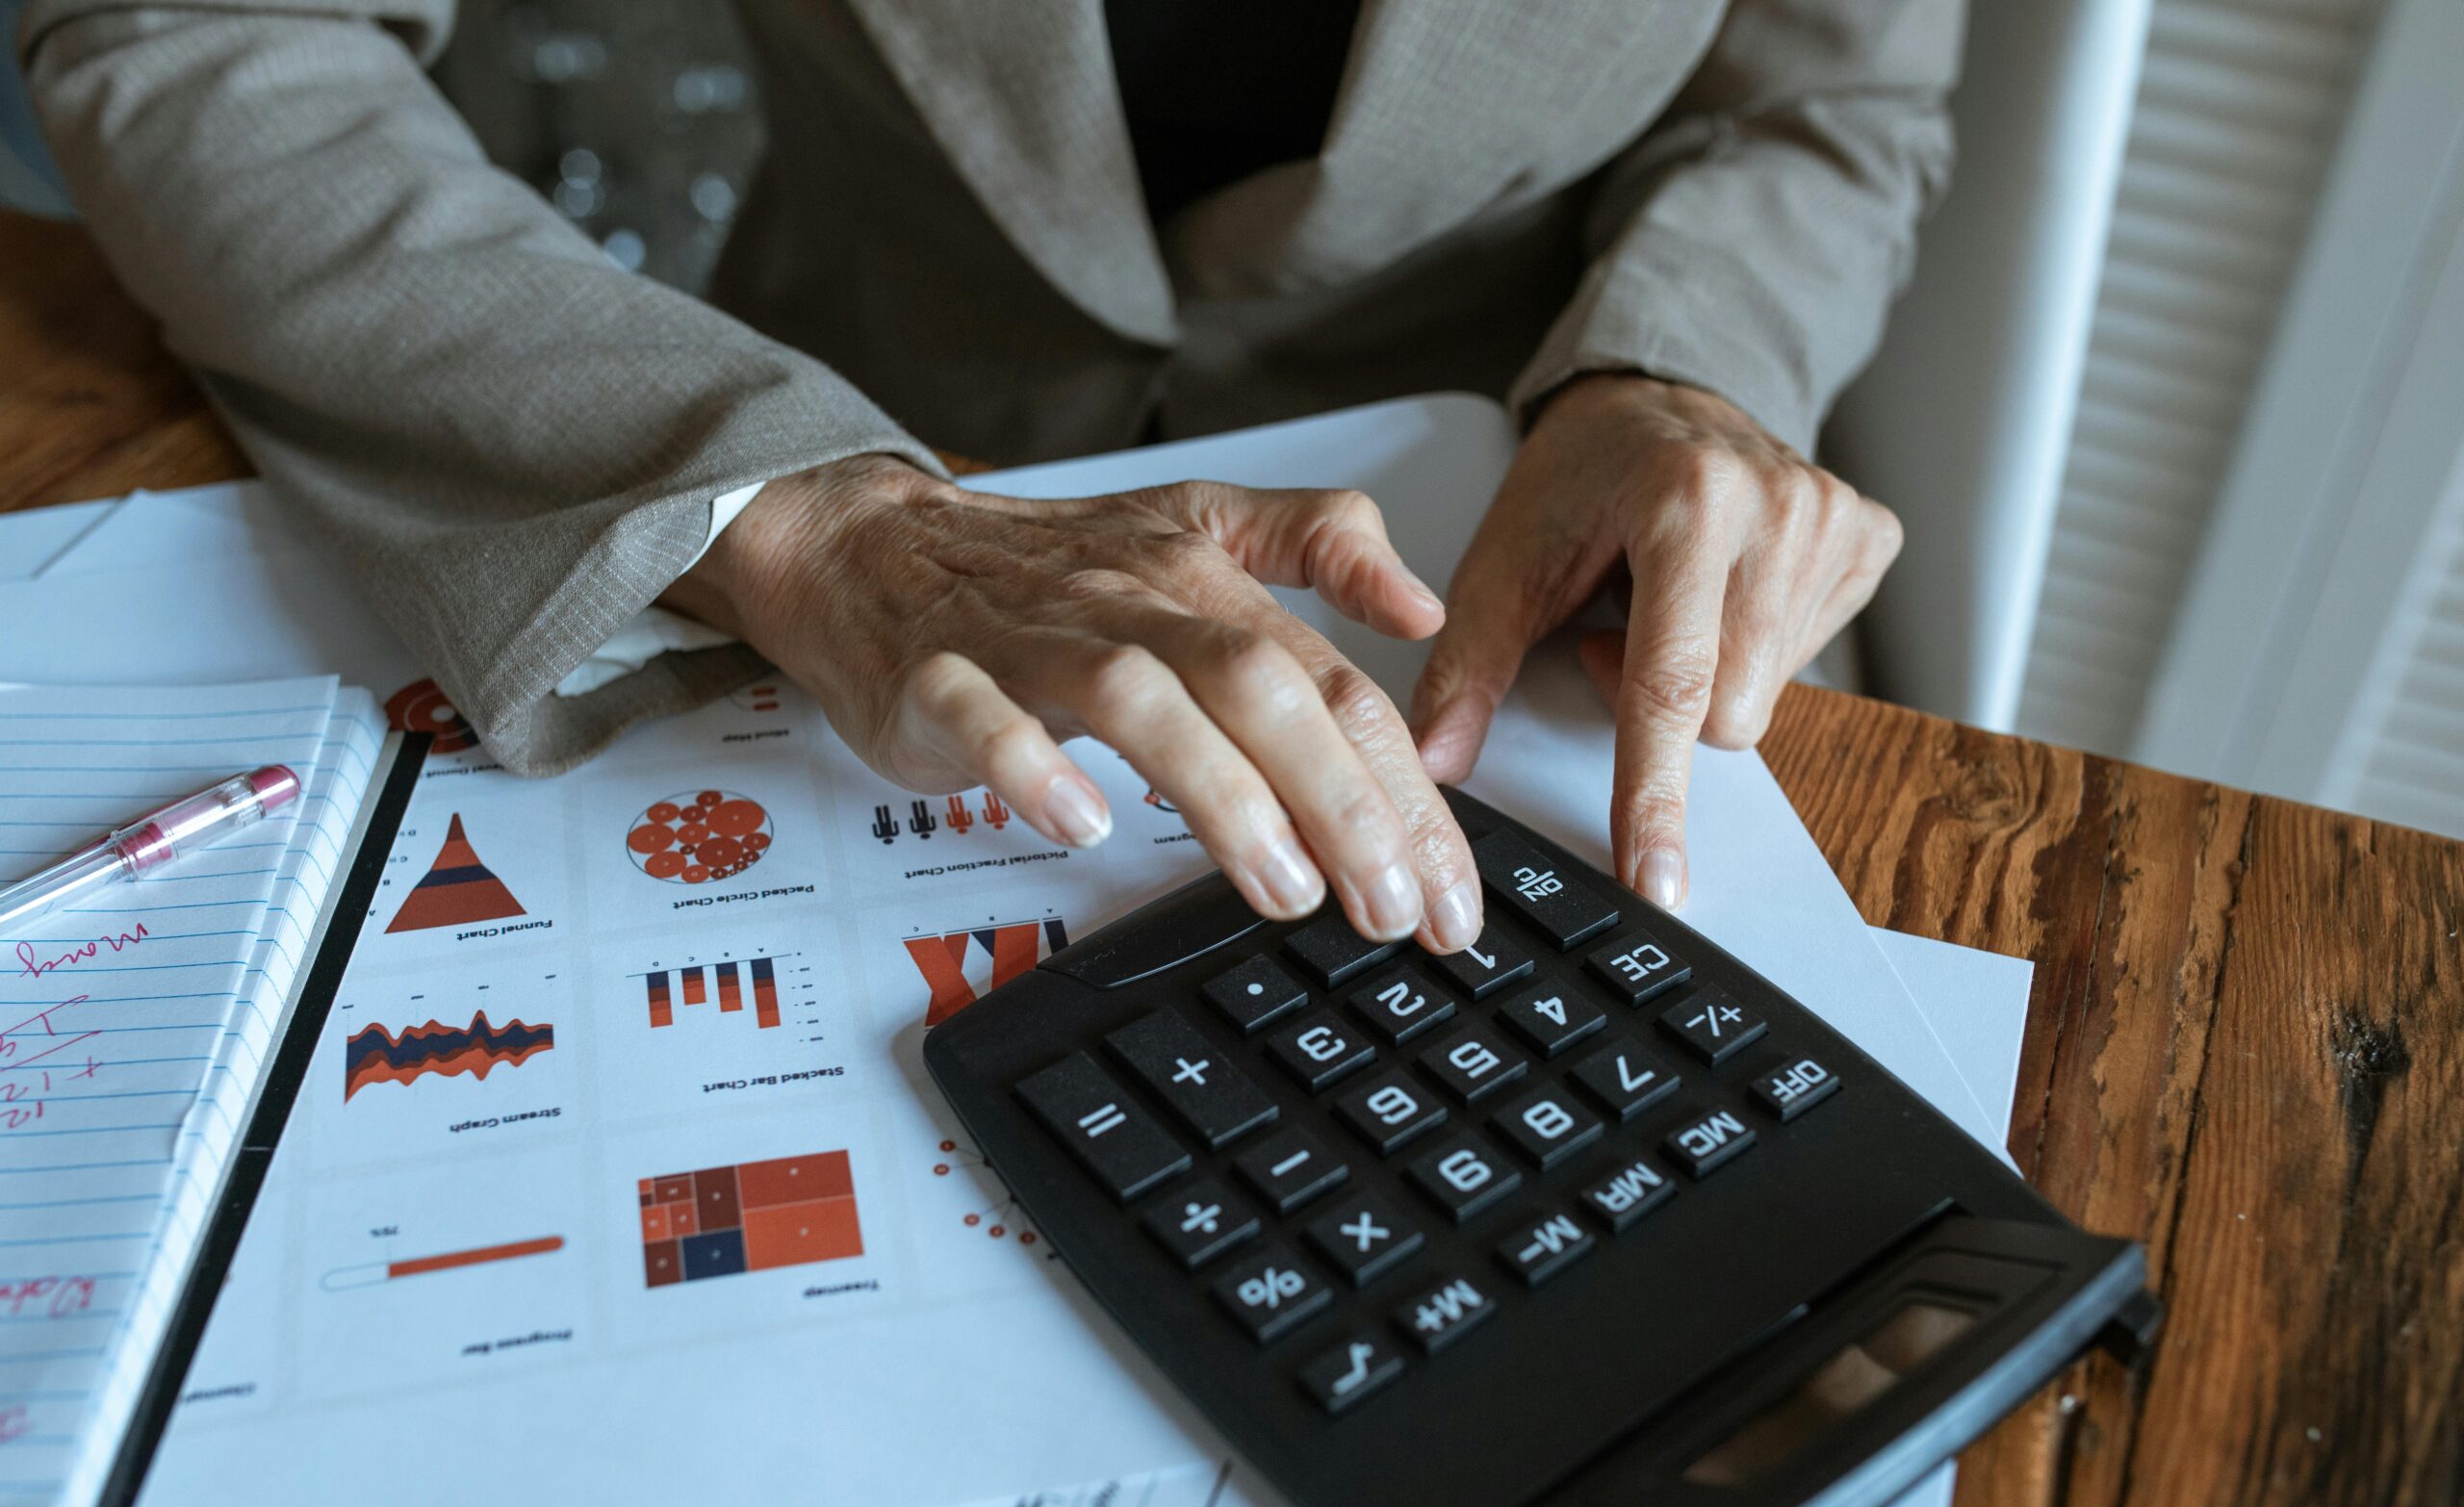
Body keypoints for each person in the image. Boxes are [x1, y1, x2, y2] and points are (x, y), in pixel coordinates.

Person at [17, 0, 1956, 952]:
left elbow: (1823, 96)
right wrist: (791, 504)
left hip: (1528, 568)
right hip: (828, 467)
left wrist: (1676, 371)